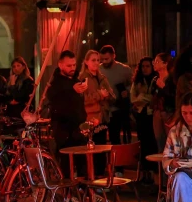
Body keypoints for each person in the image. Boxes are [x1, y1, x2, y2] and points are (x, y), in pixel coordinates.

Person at [42, 50, 88, 178]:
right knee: (66, 164)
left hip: (79, 127)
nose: (72, 68)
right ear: (60, 65)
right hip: (63, 129)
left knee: (82, 163)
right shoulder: (54, 82)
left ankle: (83, 193)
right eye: (69, 65)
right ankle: (68, 194)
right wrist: (71, 90)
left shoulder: (77, 78)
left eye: (74, 65)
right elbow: (54, 97)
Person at [99, 45, 133, 144]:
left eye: (107, 59)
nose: (104, 61)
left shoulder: (124, 69)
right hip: (103, 109)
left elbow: (133, 85)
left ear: (114, 56)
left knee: (115, 138)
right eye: (102, 59)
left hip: (118, 109)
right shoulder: (98, 69)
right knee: (101, 140)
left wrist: (126, 91)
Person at [131, 57, 157, 182]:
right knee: (144, 143)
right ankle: (144, 172)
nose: (145, 69)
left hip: (152, 115)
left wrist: (143, 98)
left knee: (152, 143)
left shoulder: (155, 80)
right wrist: (143, 98)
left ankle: (153, 172)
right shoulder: (138, 81)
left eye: (147, 66)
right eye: (143, 66)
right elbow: (133, 98)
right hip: (141, 115)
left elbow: (153, 98)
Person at [151, 53, 176, 152]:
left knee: (170, 141)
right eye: (154, 62)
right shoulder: (155, 79)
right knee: (159, 140)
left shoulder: (172, 80)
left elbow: (174, 97)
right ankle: (161, 165)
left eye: (157, 61)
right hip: (157, 112)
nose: (154, 64)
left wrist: (163, 87)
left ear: (165, 64)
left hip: (169, 112)